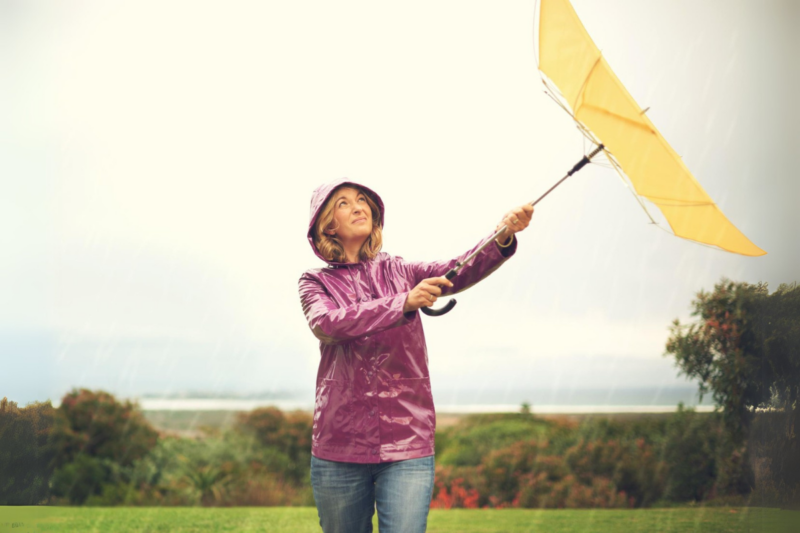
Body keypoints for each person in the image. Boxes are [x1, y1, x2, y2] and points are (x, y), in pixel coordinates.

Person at [298, 178, 533, 533]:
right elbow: (328, 323)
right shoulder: (314, 282)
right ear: (326, 224)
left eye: (362, 200)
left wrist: (501, 236)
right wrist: (402, 302)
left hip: (407, 442)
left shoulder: (402, 271)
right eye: (344, 203)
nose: (359, 206)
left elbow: (460, 267)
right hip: (338, 447)